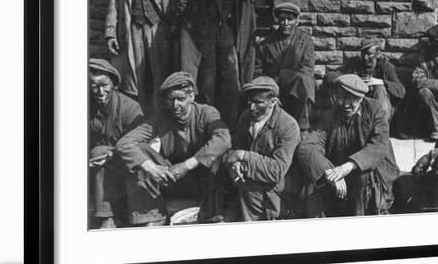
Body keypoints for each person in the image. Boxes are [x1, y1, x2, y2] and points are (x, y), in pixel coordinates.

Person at [172, 0, 268, 129]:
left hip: (230, 36)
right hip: (203, 35)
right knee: (206, 84)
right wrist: (176, 25)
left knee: (233, 86)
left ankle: (230, 127)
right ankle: (204, 126)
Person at [113, 71, 231, 224]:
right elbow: (124, 143)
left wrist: (187, 165)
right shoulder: (161, 118)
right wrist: (152, 169)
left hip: (202, 178)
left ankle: (213, 212)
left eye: (181, 99)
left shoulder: (206, 112)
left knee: (220, 153)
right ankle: (151, 217)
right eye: (171, 100)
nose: (175, 105)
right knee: (140, 150)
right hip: (171, 177)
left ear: (191, 97)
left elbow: (224, 139)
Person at [296, 74, 400, 217]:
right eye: (342, 98)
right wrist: (332, 173)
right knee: (313, 175)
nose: (345, 104)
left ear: (361, 98)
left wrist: (348, 166)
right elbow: (308, 147)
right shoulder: (330, 116)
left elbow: (378, 146)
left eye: (352, 100)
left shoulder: (376, 111)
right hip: (341, 176)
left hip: (372, 172)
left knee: (363, 177)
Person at [222, 76, 301, 221]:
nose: (252, 107)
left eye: (258, 102)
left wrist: (244, 156)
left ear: (273, 102)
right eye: (250, 102)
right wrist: (235, 164)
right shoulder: (246, 118)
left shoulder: (288, 126)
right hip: (248, 184)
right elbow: (235, 148)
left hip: (277, 192)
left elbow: (276, 171)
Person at [88, 58, 144, 228]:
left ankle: (133, 216)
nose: (100, 91)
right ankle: (107, 217)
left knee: (99, 151)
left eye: (104, 85)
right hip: (96, 168)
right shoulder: (84, 105)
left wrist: (111, 153)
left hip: (125, 164)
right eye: (94, 85)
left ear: (113, 83)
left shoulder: (130, 108)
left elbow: (141, 145)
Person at [254, 2, 316, 130]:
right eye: (282, 19)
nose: (286, 23)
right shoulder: (267, 43)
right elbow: (258, 70)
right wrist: (270, 86)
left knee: (305, 81)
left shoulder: (305, 41)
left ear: (297, 21)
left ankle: (303, 126)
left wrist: (284, 76)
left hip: (296, 87)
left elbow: (307, 68)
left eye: (290, 19)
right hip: (274, 87)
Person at [338, 37, 405, 120]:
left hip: (382, 109)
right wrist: (352, 80)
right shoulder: (355, 64)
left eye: (369, 54)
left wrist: (380, 82)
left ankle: (380, 126)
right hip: (358, 107)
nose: (365, 58)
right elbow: (332, 75)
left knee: (379, 89)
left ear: (378, 54)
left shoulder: (386, 67)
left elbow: (401, 90)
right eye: (363, 54)